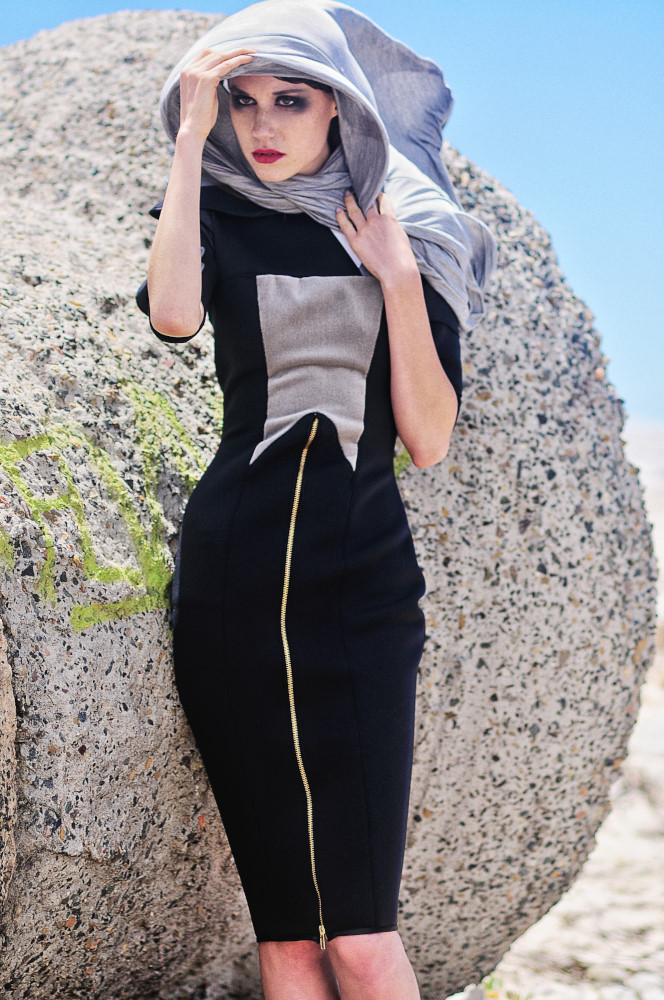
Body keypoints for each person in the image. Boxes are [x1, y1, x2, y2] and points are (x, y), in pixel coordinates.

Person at [137, 2, 496, 997]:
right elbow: (171, 316)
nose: (264, 124)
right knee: (288, 941)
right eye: (243, 103)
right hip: (229, 592)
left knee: (361, 938)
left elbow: (426, 437)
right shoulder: (216, 215)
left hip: (362, 602)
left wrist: (397, 282)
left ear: (340, 107)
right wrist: (190, 143)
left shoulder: (413, 238)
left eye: (289, 100)